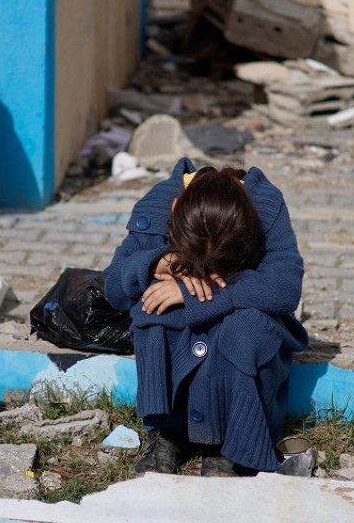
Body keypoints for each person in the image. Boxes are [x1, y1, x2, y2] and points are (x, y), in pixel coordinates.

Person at [103, 159, 308, 477]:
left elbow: (284, 288)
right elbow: (113, 286)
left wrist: (200, 289)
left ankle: (227, 443)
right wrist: (153, 263)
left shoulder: (266, 205)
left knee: (244, 327)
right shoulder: (158, 204)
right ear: (173, 210)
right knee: (153, 304)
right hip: (182, 332)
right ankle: (164, 433)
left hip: (238, 328)